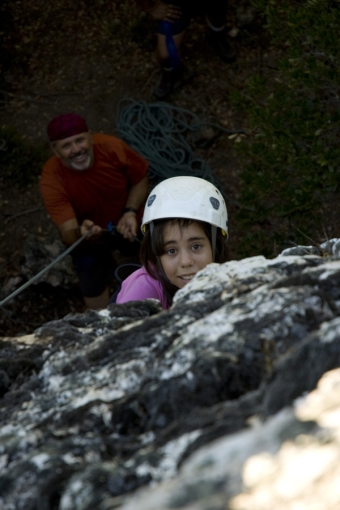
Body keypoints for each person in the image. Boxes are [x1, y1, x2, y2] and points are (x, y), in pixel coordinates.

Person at [40, 113, 149, 310]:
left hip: (128, 222)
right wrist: (81, 232)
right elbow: (67, 233)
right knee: (92, 284)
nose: (76, 150)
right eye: (66, 146)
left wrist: (130, 211)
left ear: (90, 136)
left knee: (156, 252)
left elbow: (140, 179)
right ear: (55, 150)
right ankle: (102, 330)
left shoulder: (111, 147)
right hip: (89, 239)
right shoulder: (52, 180)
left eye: (80, 140)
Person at [115, 176, 229, 309]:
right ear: (156, 253)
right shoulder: (141, 293)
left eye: (196, 246)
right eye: (171, 250)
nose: (186, 262)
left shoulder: (225, 277)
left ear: (215, 245)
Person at [135, 0, 235, 99]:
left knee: (217, 9)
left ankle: (217, 33)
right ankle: (170, 72)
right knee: (166, 54)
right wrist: (150, 6)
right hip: (176, 6)